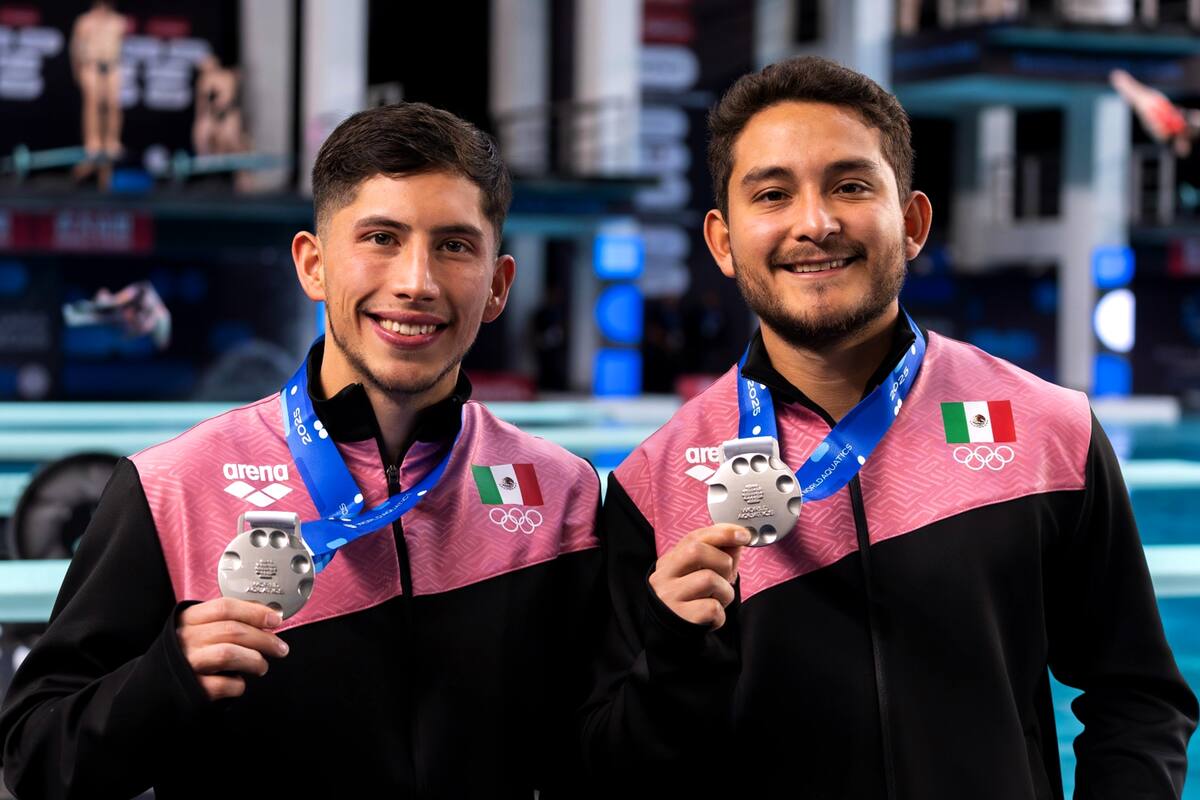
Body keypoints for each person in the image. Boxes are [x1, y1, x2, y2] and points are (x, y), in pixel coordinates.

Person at [581, 56, 1197, 798]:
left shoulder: (1048, 431)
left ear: (911, 223)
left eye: (850, 186)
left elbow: (1138, 696)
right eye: (773, 194)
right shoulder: (653, 485)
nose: (815, 223)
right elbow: (608, 766)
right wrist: (673, 653)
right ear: (722, 241)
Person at [0, 103, 602, 798]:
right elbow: (35, 757)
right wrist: (168, 675)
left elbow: (595, 747)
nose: (416, 281)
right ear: (313, 265)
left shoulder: (562, 493)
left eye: (455, 246)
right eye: (381, 238)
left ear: (497, 286)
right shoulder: (172, 489)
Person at [69, 0, 126, 162]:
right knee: (92, 103)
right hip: (91, 65)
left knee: (114, 104)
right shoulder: (85, 21)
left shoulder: (119, 21)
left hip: (112, 65)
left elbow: (123, 46)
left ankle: (112, 141)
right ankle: (92, 142)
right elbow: (75, 47)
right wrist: (77, 70)